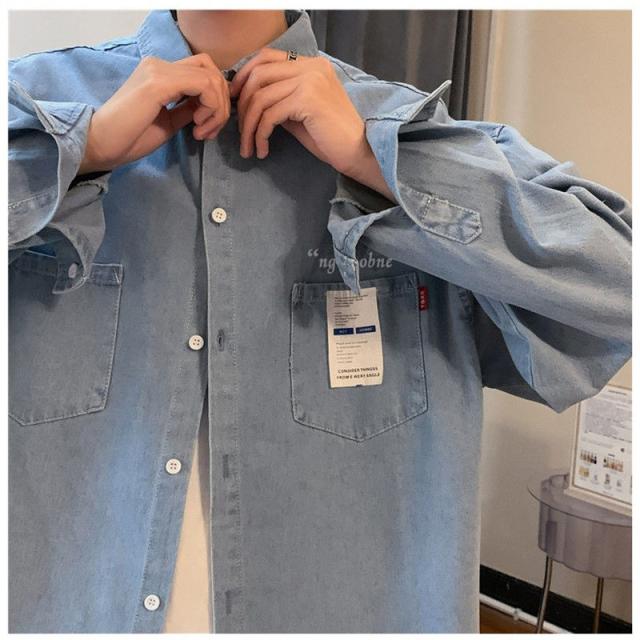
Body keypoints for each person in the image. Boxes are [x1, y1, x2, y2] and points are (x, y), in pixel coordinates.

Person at [8, 8, 632, 634]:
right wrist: (74, 156)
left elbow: (617, 288)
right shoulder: (31, 107)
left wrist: (377, 162)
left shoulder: (405, 128)